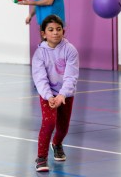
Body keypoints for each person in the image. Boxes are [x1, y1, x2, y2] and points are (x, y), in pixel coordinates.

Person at [32, 15, 79, 172]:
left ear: (63, 31)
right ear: (43, 33)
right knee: (49, 123)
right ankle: (41, 157)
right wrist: (49, 96)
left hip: (65, 95)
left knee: (63, 127)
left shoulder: (70, 50)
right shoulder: (39, 54)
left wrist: (62, 95)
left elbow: (71, 76)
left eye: (58, 29)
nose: (55, 33)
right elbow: (40, 78)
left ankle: (57, 143)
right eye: (51, 30)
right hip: (48, 95)